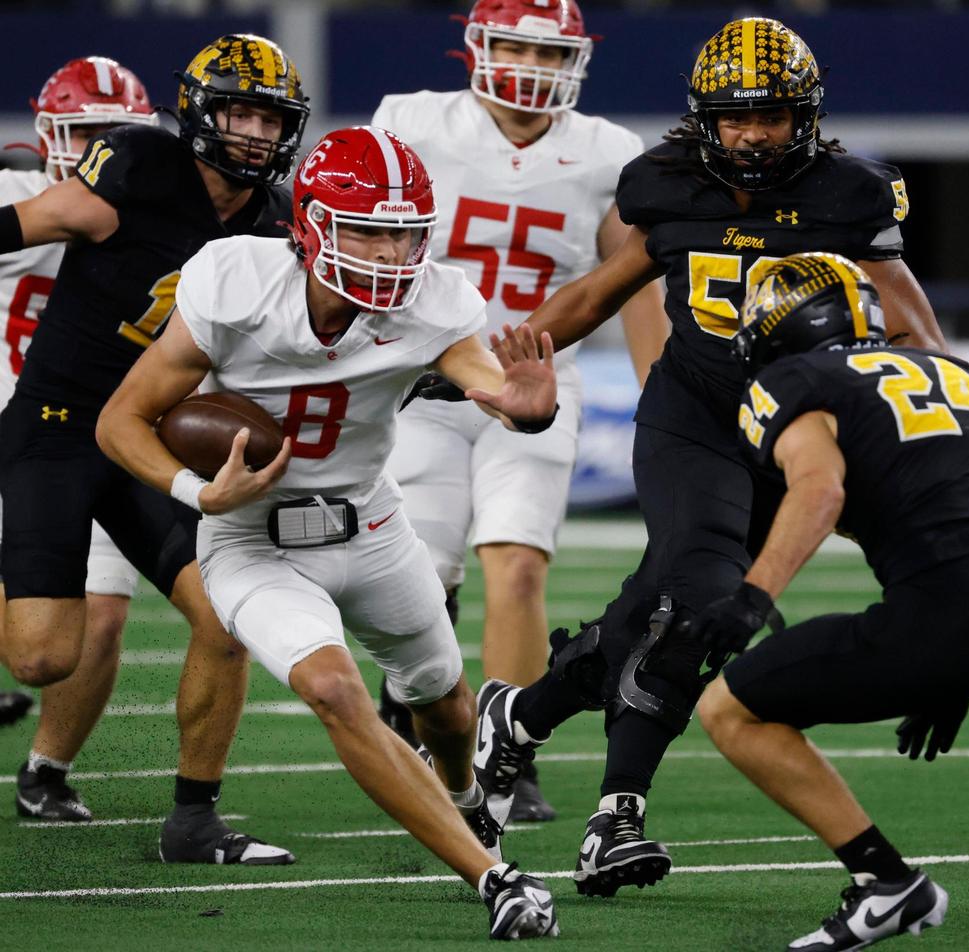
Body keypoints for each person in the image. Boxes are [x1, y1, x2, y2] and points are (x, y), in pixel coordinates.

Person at [472, 16, 947, 896]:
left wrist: (941, 402)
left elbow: (912, 324)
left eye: (772, 116)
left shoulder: (851, 194)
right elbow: (600, 291)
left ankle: (521, 715)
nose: (755, 133)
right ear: (705, 117)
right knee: (701, 596)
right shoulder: (665, 184)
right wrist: (505, 360)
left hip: (796, 425)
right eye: (736, 117)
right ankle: (616, 818)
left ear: (805, 114)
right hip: (694, 413)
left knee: (659, 607)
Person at [96, 125, 561, 941]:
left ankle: (465, 804)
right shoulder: (234, 282)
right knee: (336, 690)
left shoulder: (437, 301)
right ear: (309, 223)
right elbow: (119, 420)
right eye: (367, 230)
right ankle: (496, 875)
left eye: (404, 233)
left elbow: (493, 386)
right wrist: (196, 492)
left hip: (373, 526)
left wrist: (529, 407)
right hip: (252, 541)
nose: (389, 253)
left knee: (447, 709)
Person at [693, 250, 969, 951]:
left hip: (951, 609)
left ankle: (886, 883)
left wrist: (753, 597)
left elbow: (821, 488)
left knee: (729, 707)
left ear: (783, 323)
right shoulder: (949, 371)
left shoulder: (794, 379)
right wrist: (965, 663)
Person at [0, 34, 309, 863]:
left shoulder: (281, 222)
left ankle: (194, 819)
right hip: (61, 425)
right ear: (199, 110)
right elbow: (41, 217)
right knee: (39, 656)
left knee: (226, 615)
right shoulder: (138, 165)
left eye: (268, 115)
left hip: (154, 434)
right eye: (238, 109)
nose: (252, 130)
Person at [372, 0, 669, 822]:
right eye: (515, 47)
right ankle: (420, 702)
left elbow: (633, 273)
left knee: (519, 562)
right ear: (478, 46)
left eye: (550, 53)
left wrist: (663, 393)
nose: (533, 69)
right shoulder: (413, 123)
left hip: (539, 382)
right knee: (422, 574)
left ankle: (509, 749)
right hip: (423, 382)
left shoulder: (607, 152)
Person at [0, 56, 156, 819]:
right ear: (49, 136)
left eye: (113, 135)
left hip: (96, 434)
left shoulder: (158, 220)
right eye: (84, 133)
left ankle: (47, 770)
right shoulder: (15, 197)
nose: (99, 150)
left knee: (105, 608)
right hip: (15, 419)